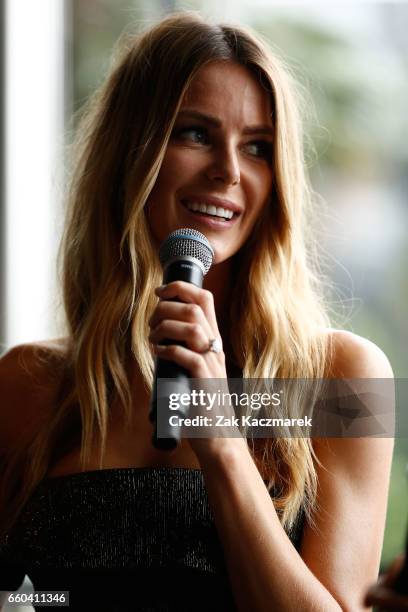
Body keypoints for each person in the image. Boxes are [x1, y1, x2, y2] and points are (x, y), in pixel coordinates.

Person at [0, 11, 394, 612]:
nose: (228, 172)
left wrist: (223, 441)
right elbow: (17, 601)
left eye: (258, 147)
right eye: (195, 134)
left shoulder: (341, 380)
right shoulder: (28, 385)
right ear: (132, 153)